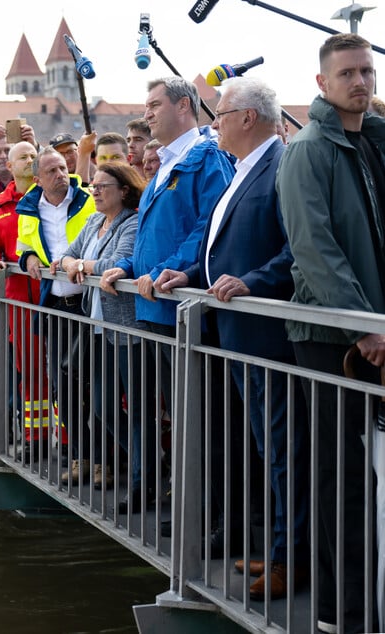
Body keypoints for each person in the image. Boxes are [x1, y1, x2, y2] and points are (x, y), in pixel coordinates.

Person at [154, 76, 308, 601]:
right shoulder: (244, 169)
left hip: (268, 336)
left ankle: (293, 561)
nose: (213, 123)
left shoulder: (281, 165)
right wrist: (189, 274)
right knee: (269, 449)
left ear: (248, 118)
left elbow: (294, 249)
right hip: (238, 334)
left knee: (286, 451)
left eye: (219, 114)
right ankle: (283, 547)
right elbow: (220, 249)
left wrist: (253, 283)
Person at [275, 33, 385, 633]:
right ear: (322, 84)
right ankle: (339, 615)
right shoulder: (310, 150)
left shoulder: (372, 144)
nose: (360, 81)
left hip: (372, 332)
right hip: (331, 336)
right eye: (347, 73)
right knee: (339, 479)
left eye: (367, 71)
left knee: (364, 479)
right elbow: (314, 249)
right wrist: (361, 324)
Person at [100, 76, 235, 515]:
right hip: (156, 307)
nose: (147, 113)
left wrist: (160, 271)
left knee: (200, 419)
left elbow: (207, 226)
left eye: (155, 104)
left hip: (184, 309)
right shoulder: (166, 163)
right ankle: (191, 507)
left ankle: (208, 514)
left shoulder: (205, 157)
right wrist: (132, 267)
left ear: (183, 106)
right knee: (179, 416)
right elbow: (156, 234)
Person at [52, 161, 143, 492]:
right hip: (97, 325)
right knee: (104, 407)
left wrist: (80, 265)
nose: (96, 191)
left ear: (124, 190)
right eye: (94, 185)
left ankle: (143, 473)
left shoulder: (130, 222)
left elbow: (117, 263)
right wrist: (72, 263)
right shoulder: (93, 221)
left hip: (125, 326)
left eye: (103, 186)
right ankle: (141, 460)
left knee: (135, 406)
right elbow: (64, 256)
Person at [16, 146, 97, 465]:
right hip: (55, 304)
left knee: (92, 385)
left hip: (90, 304)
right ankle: (82, 455)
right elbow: (23, 246)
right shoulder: (29, 207)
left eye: (63, 168)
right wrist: (28, 258)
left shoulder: (87, 199)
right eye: (52, 171)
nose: (61, 174)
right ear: (37, 179)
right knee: (62, 386)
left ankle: (103, 457)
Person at [0, 141, 47, 444]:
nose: (29, 161)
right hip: (18, 299)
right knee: (29, 369)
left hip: (56, 295)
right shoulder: (0, 205)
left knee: (61, 370)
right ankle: (35, 436)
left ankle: (68, 437)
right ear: (10, 165)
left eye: (33, 156)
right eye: (23, 157)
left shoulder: (52, 195)